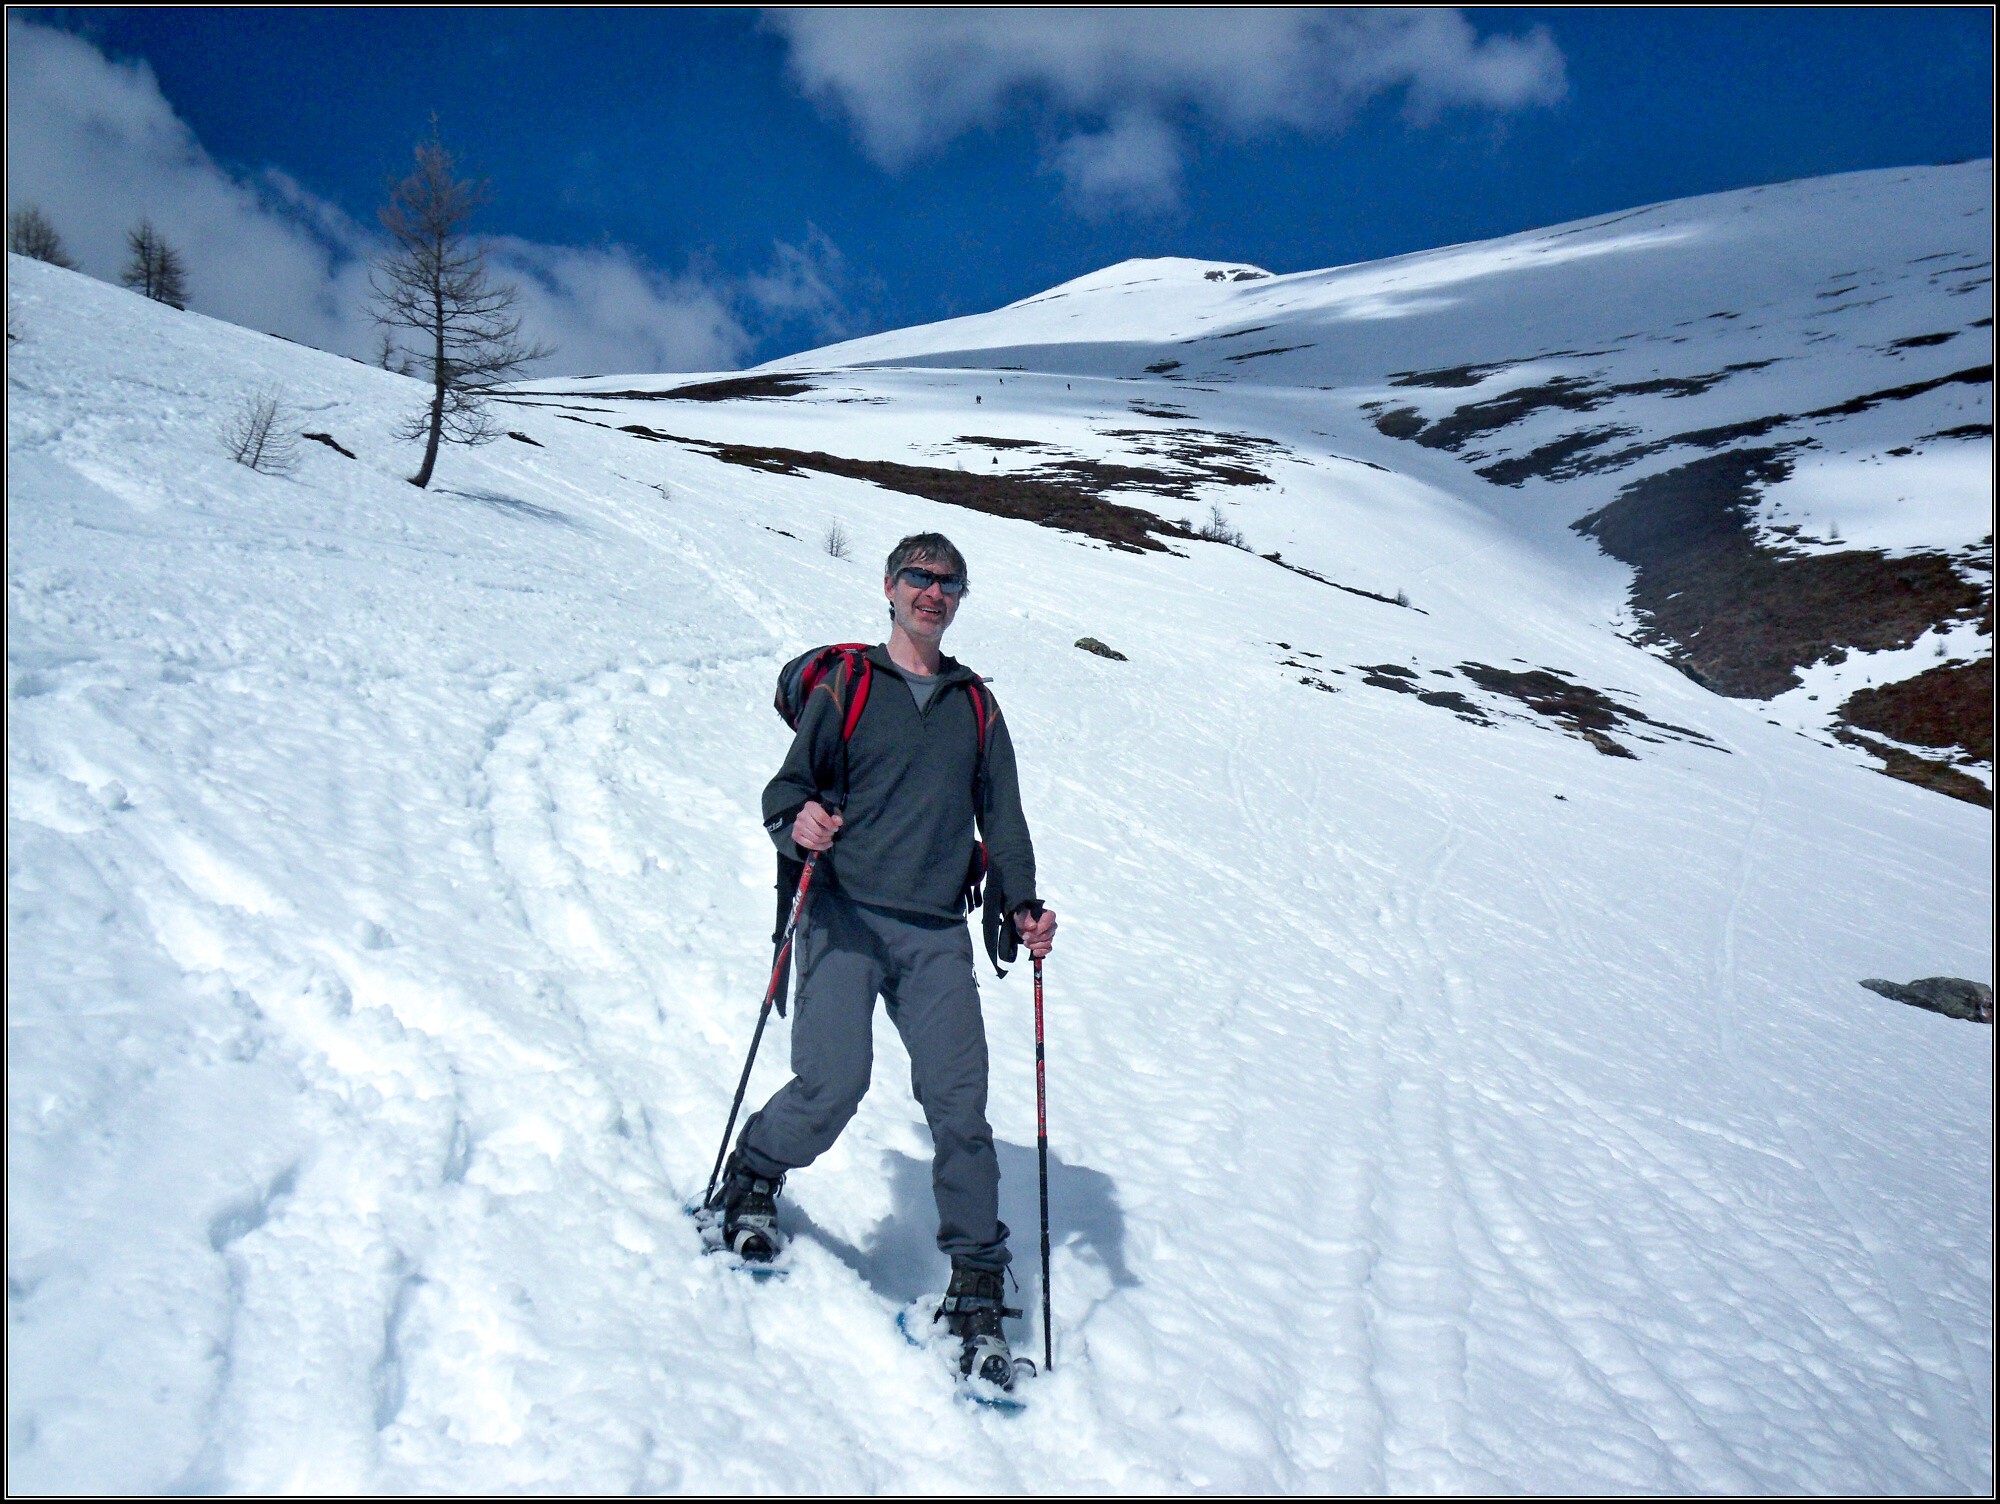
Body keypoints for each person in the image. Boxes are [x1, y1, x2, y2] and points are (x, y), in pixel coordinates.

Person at [713, 531, 1058, 1388]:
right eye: (920, 578)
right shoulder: (848, 686)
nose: (934, 593)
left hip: (935, 930)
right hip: (841, 913)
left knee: (960, 1106)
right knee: (833, 1084)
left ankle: (977, 1270)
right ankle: (754, 1173)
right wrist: (798, 822)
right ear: (890, 587)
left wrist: (1022, 902)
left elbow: (1004, 819)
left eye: (950, 582)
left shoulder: (976, 706)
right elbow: (785, 789)